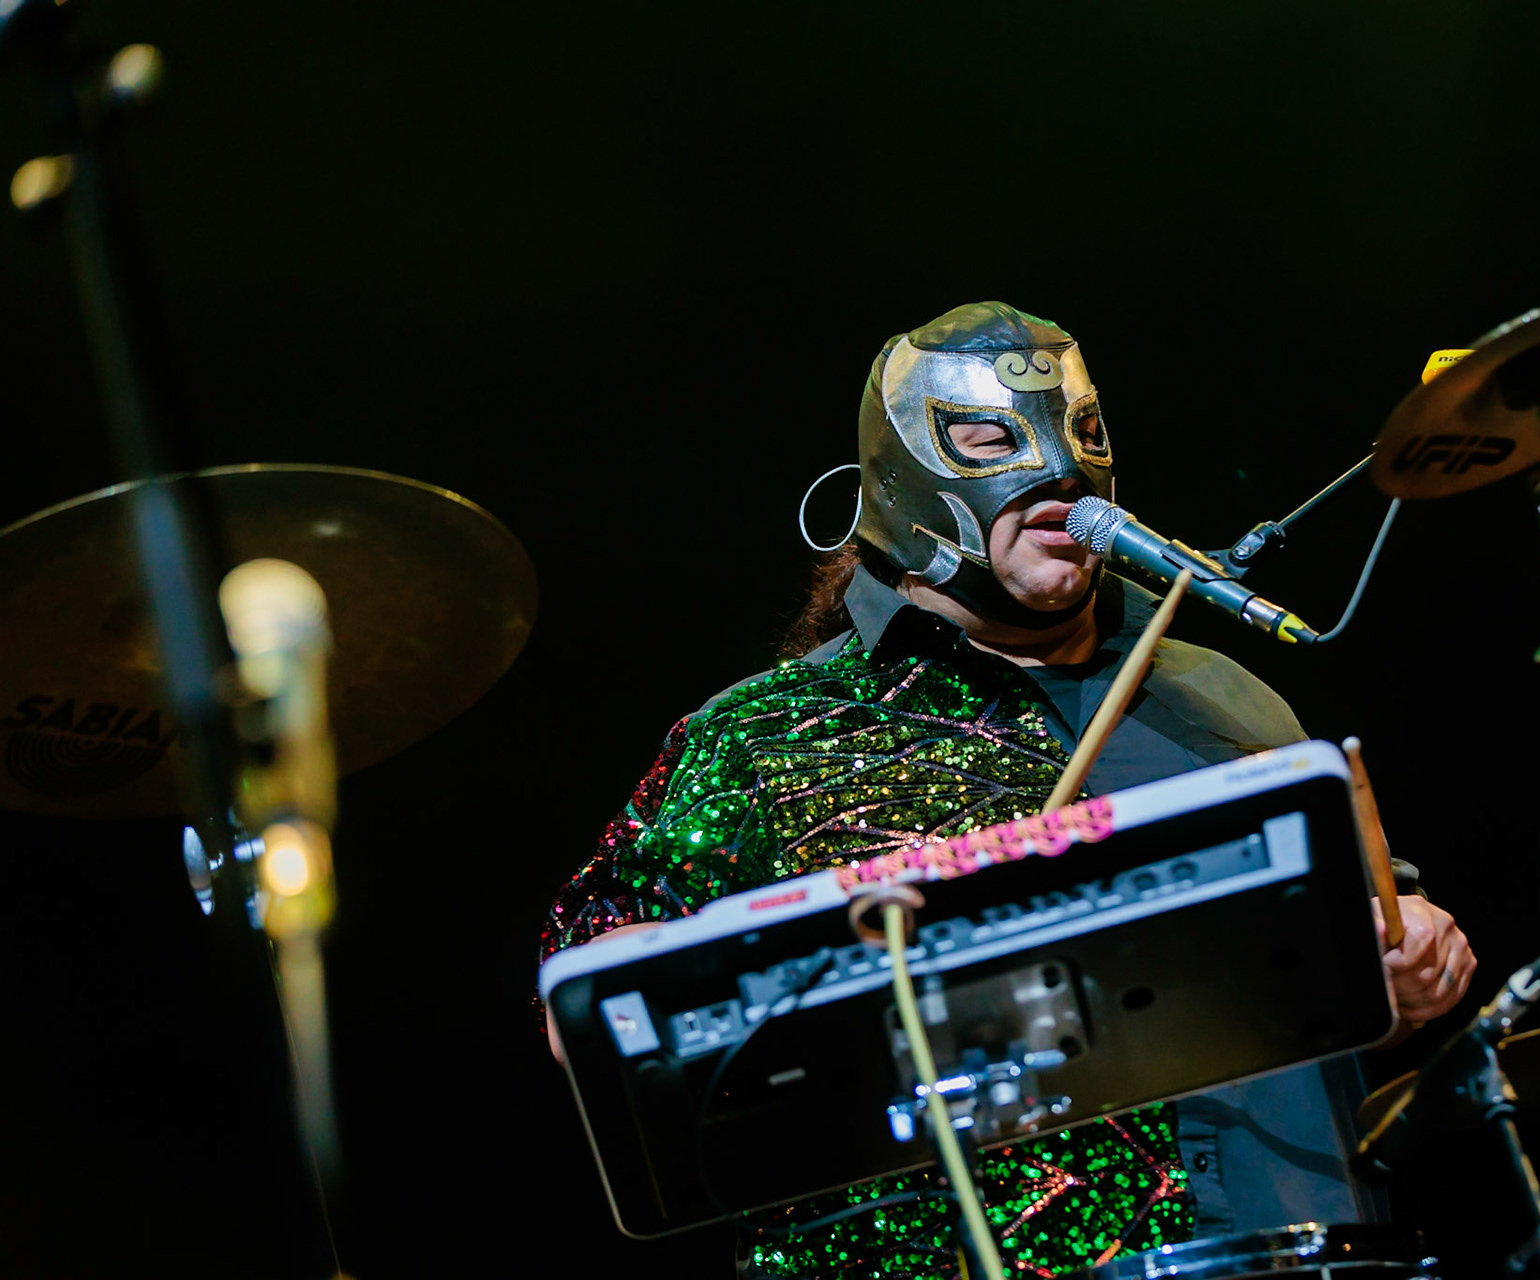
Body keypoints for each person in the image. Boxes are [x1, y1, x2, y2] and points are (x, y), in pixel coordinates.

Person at [541, 301, 1477, 1279]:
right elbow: (595, 984)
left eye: (1082, 436)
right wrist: (646, 980)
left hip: (1288, 1242)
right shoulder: (758, 736)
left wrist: (1413, 955)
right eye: (990, 438)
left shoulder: (1220, 695)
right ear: (902, 480)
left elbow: (1373, 937)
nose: (1055, 473)